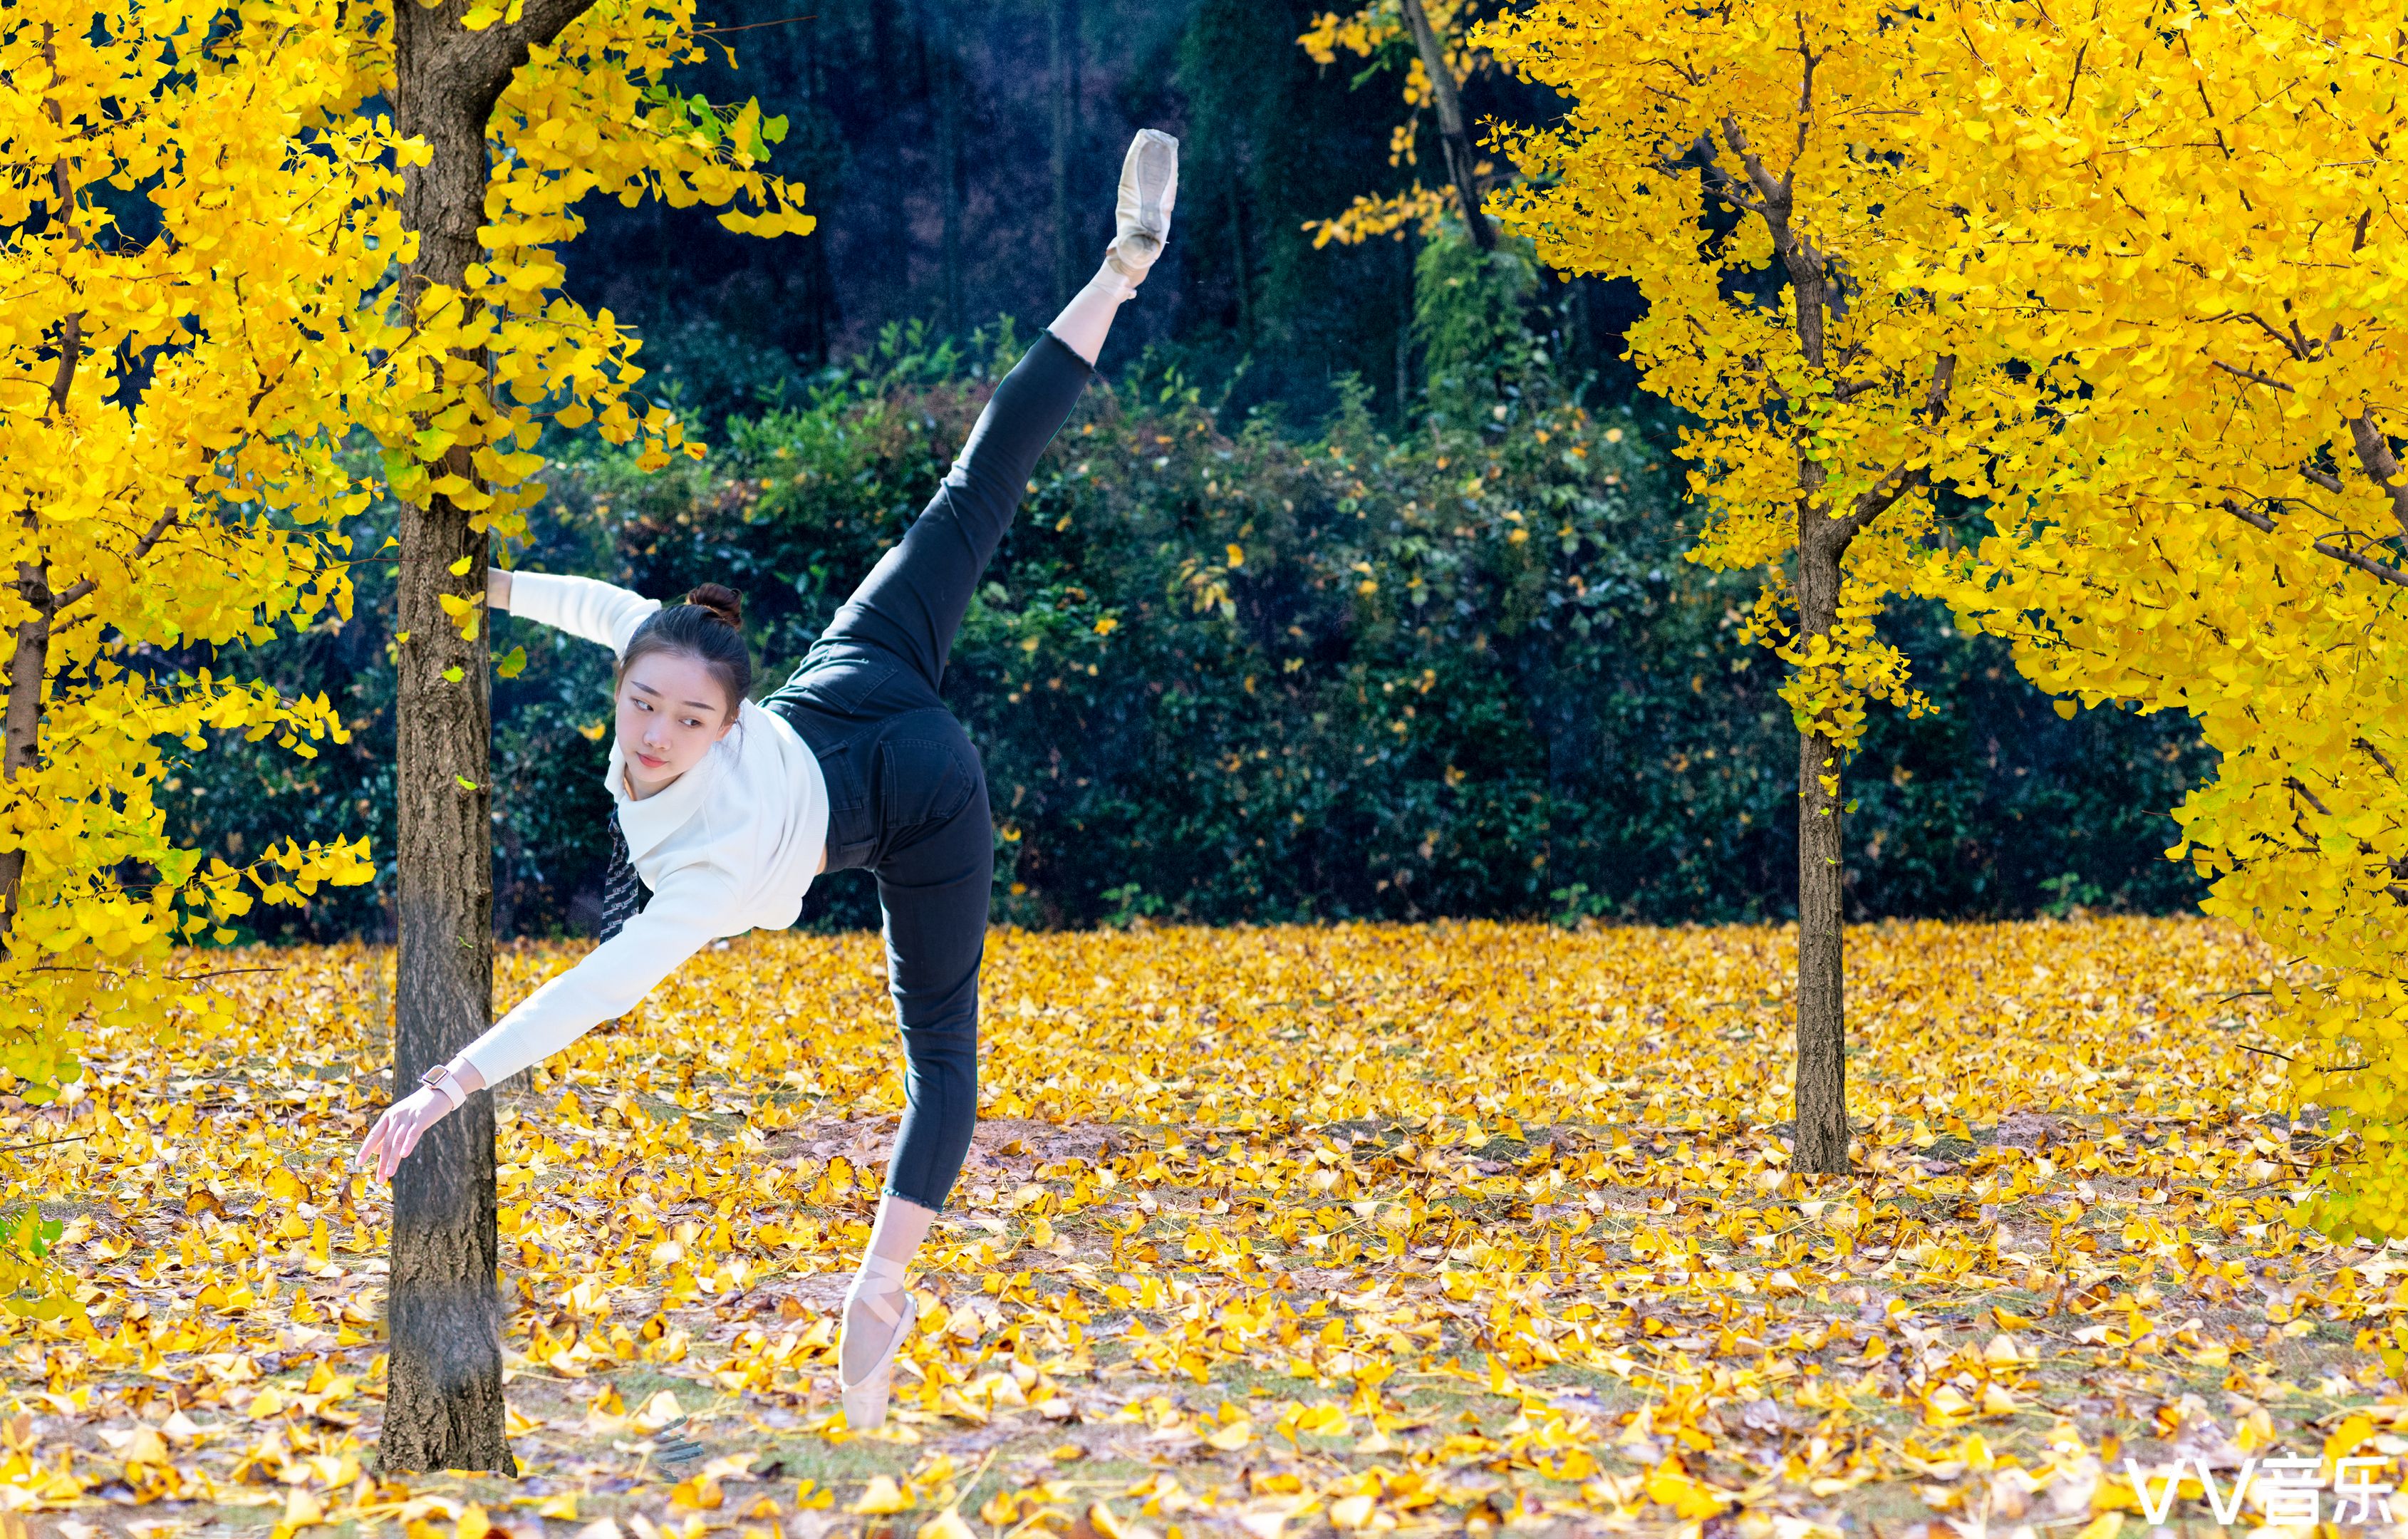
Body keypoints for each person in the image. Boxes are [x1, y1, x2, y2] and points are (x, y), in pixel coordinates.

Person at [356, 130, 1180, 1433]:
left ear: (727, 723)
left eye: (687, 720)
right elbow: (601, 609)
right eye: (645, 706)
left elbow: (595, 987)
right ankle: (1123, 270)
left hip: (917, 800)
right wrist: (494, 587)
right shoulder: (673, 680)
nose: (656, 735)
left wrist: (449, 1083)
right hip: (848, 680)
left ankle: (882, 1283)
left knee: (943, 1057)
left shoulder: (701, 875)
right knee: (974, 490)